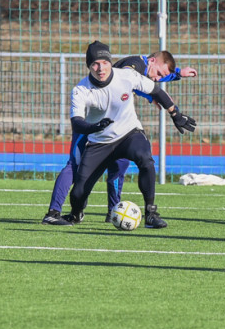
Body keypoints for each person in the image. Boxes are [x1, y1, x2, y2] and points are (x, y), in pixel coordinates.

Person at [42, 51, 197, 226]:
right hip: (90, 128)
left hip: (123, 130)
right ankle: (57, 212)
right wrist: (150, 95)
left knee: (130, 163)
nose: (157, 79)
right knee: (74, 169)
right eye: (159, 74)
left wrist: (176, 74)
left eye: (104, 63)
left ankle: (123, 211)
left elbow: (151, 84)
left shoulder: (139, 70)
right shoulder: (128, 70)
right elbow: (134, 82)